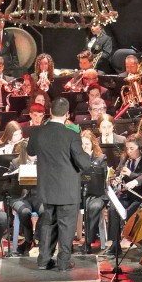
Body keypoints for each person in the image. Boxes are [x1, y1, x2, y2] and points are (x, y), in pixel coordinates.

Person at [26, 97, 94, 271]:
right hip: (67, 189)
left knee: (48, 224)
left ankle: (43, 261)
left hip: (46, 188)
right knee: (66, 225)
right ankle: (63, 262)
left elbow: (31, 153)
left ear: (49, 112)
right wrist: (86, 154)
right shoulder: (71, 134)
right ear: (67, 114)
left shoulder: (36, 132)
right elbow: (84, 164)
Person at [105, 137, 142, 255]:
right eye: (127, 148)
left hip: (141, 196)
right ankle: (115, 243)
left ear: (140, 149)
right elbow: (118, 172)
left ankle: (138, 241)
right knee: (113, 209)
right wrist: (115, 179)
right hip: (126, 195)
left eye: (132, 149)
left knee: (128, 212)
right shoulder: (125, 159)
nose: (128, 151)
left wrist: (131, 174)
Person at [77, 131, 109, 254]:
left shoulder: (101, 158)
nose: (84, 147)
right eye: (82, 144)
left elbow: (103, 179)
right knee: (68, 206)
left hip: (97, 194)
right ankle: (67, 243)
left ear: (92, 144)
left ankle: (88, 242)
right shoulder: (75, 158)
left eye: (87, 144)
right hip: (80, 194)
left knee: (93, 207)